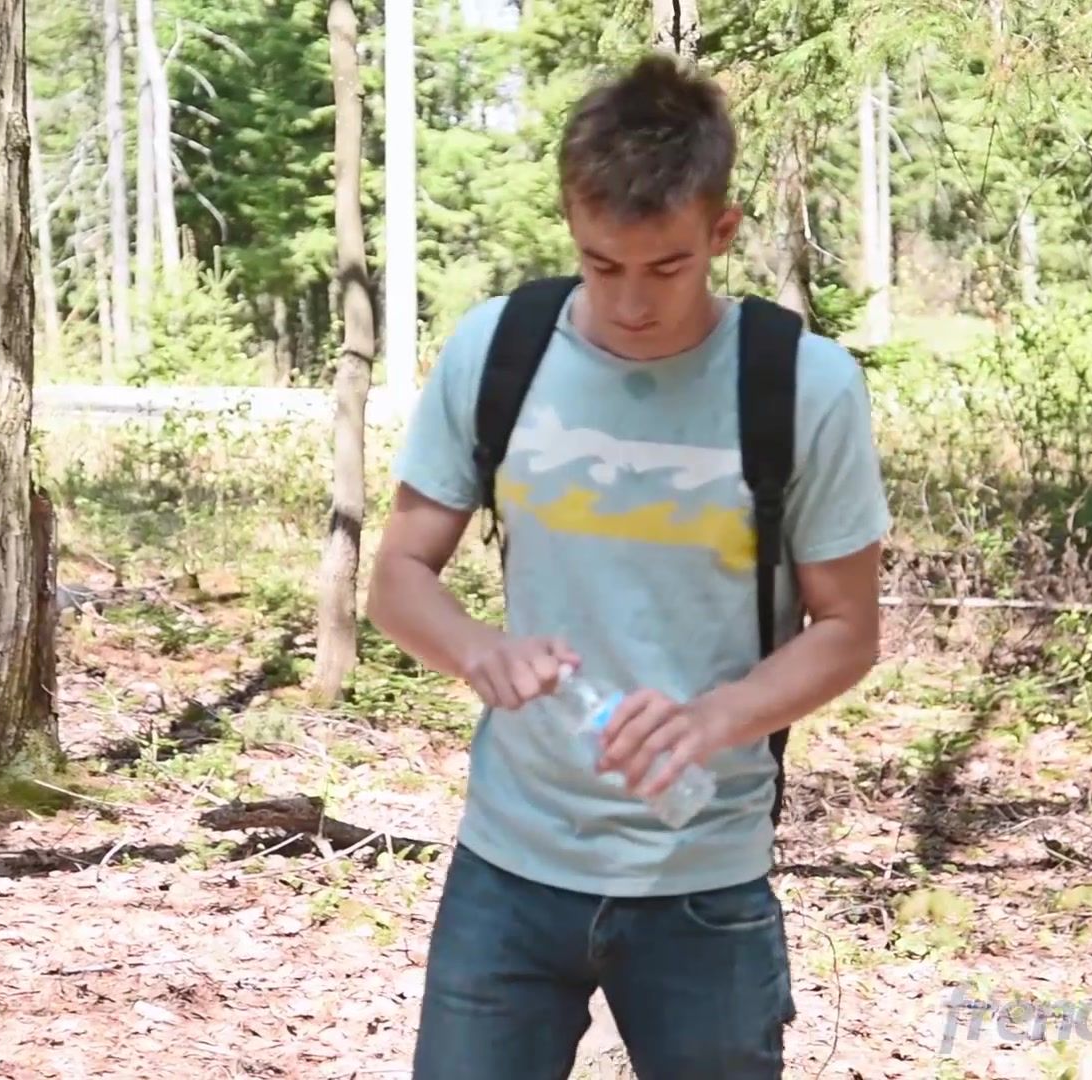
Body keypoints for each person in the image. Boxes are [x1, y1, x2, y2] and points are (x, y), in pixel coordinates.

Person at [366, 52, 890, 1080]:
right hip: (509, 870)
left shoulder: (802, 385)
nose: (633, 303)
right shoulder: (499, 350)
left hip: (704, 880)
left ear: (722, 232)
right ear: (572, 222)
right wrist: (477, 649)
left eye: (667, 267)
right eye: (602, 266)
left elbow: (848, 630)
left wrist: (713, 719)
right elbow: (398, 576)